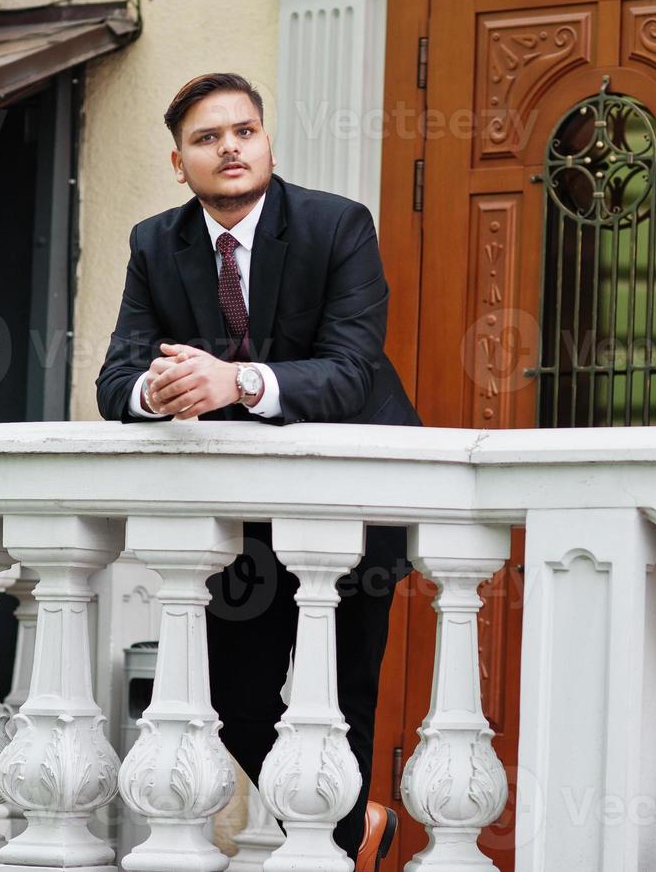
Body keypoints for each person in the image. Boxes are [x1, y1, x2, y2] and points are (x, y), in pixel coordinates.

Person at [96, 72, 419, 872]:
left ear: (266, 140)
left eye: (244, 130)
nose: (230, 147)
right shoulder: (154, 244)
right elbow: (116, 384)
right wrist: (159, 388)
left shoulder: (336, 225)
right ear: (180, 164)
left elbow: (348, 372)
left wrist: (234, 382)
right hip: (240, 517)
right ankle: (355, 833)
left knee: (344, 700)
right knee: (230, 699)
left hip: (353, 506)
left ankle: (339, 852)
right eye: (207, 138)